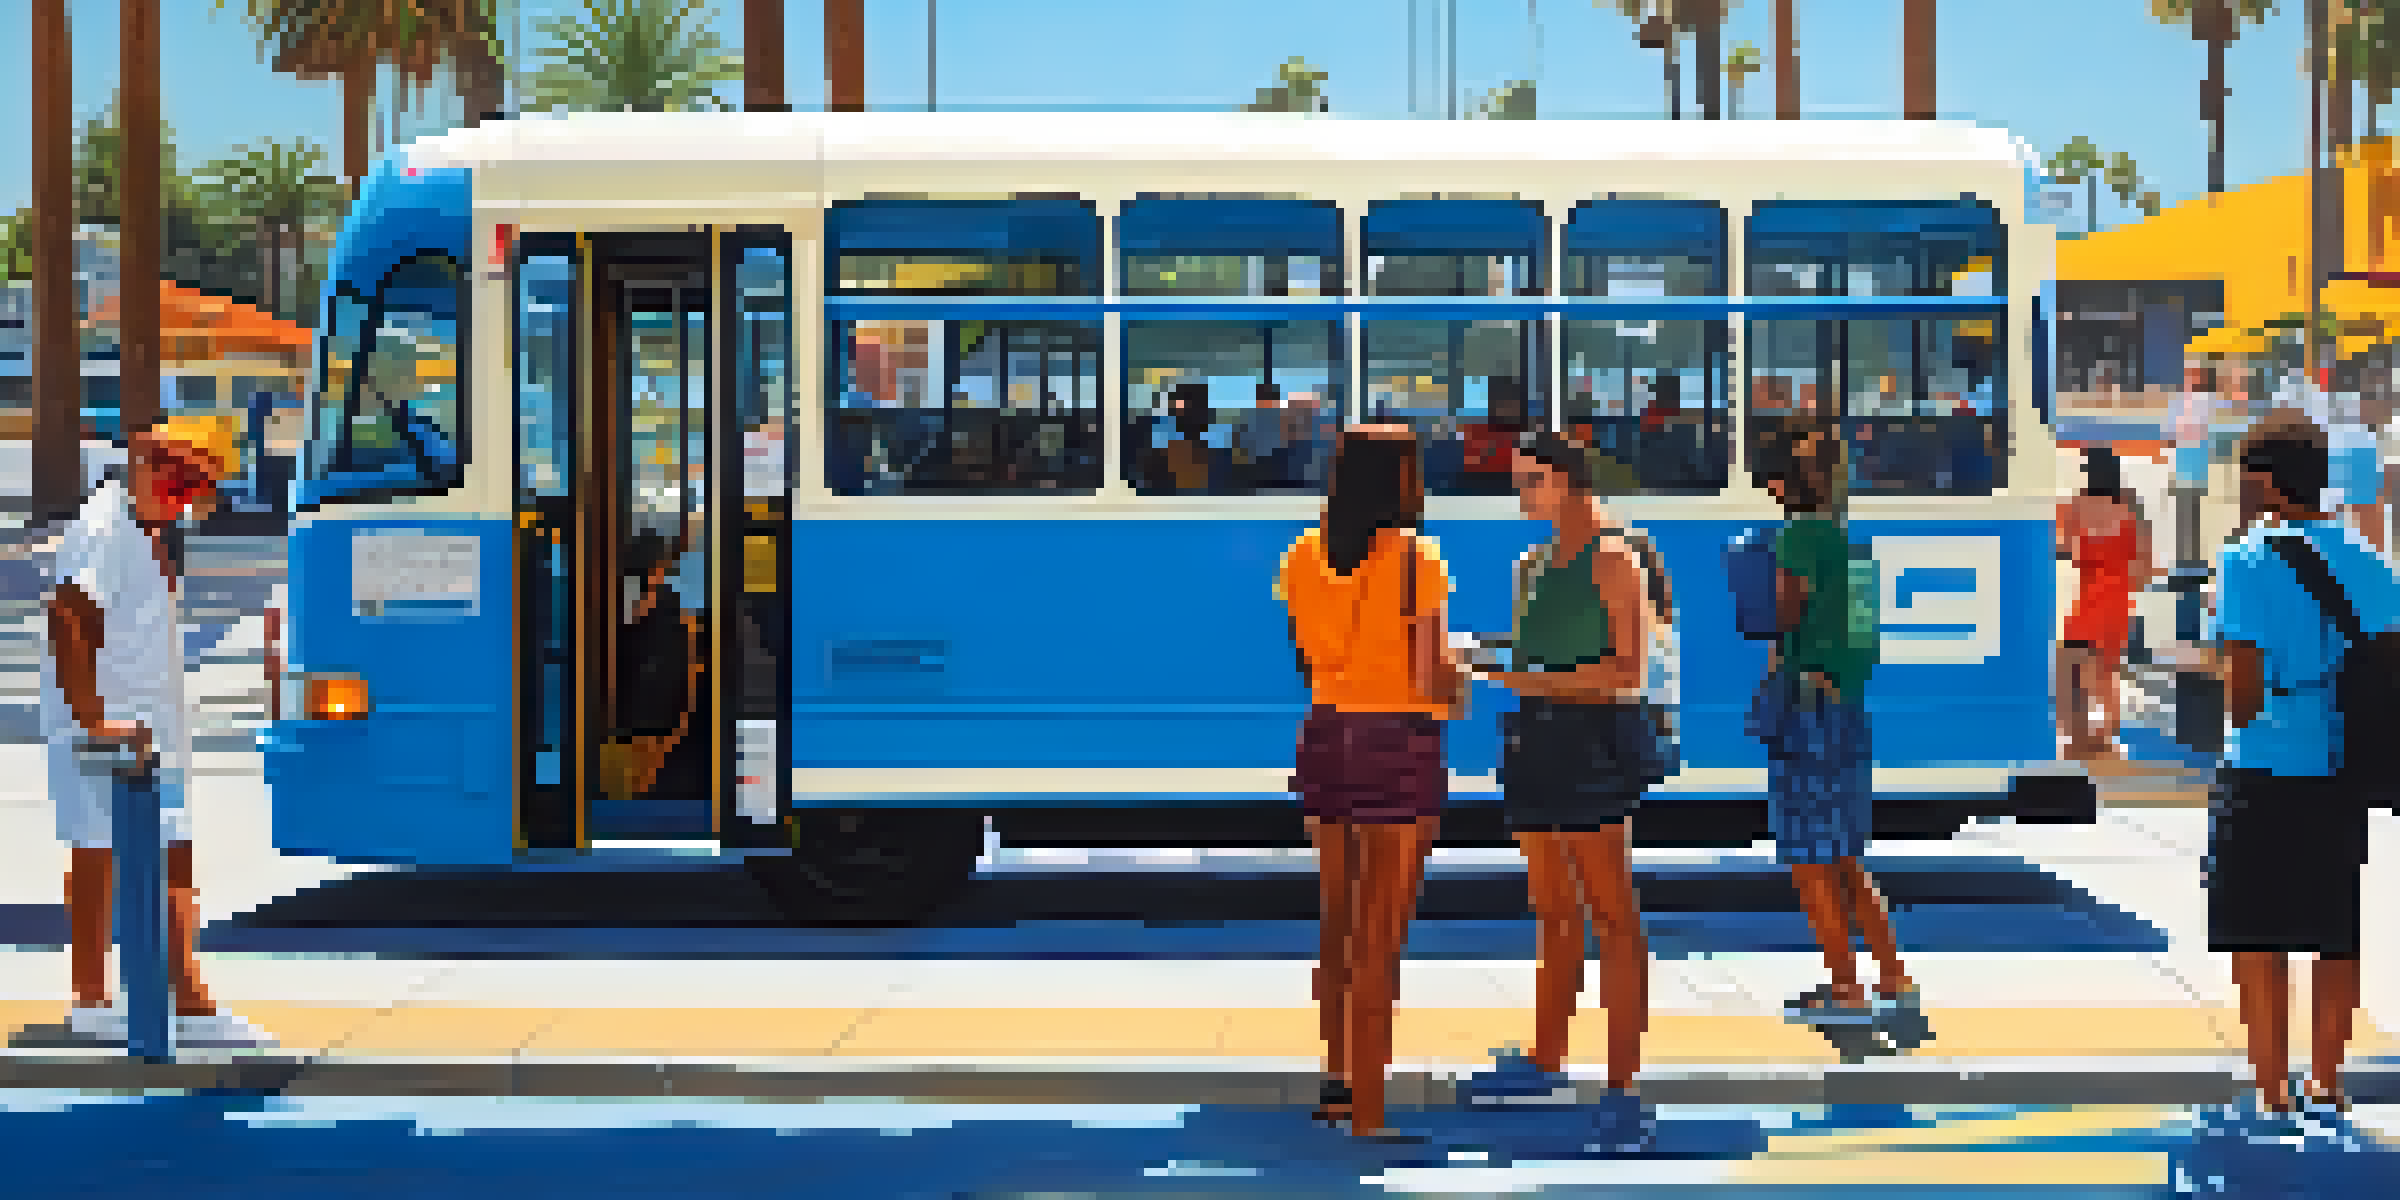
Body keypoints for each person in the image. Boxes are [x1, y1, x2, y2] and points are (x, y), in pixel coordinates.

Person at [2193, 409, 2400, 1114]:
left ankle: (2273, 1086)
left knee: (2257, 930)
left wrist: (2231, 685)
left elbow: (2243, 692)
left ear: (2266, 483)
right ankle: (2328, 1080)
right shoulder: (2365, 557)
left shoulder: (2245, 561)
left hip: (2262, 764)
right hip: (2340, 763)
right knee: (2334, 927)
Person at [38, 415, 269, 1045]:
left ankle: (155, 995)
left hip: (140, 726)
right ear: (147, 463)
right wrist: (93, 719)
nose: (187, 496)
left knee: (150, 852)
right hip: (107, 729)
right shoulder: (105, 529)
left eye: (198, 486)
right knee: (109, 855)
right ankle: (129, 999)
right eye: (181, 480)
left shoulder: (142, 526)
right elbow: (67, 615)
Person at [1463, 432, 1677, 1102]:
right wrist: (1480, 655)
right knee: (1553, 910)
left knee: (1611, 914)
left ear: (1571, 481)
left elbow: (1626, 673)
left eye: (1533, 481)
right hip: (1536, 739)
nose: (1521, 495)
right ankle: (1546, 1053)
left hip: (1588, 742)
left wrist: (1525, 681)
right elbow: (1542, 651)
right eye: (1519, 483)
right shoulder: (1533, 563)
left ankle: (1622, 1076)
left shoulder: (1612, 558)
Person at [1277, 425, 1464, 1137]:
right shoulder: (1416, 558)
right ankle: (1369, 1110)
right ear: (1402, 481)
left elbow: (1306, 661)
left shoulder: (1302, 554)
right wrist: (1465, 674)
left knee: (1338, 925)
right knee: (1381, 934)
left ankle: (1337, 1084)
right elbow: (1430, 676)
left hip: (1327, 735)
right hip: (1398, 743)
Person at [1750, 425, 1917, 1020]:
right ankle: (1893, 976)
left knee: (1806, 858)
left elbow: (1782, 616)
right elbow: (1864, 638)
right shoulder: (1854, 545)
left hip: (1808, 709)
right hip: (1846, 707)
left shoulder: (1796, 539)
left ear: (1782, 485)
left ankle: (1845, 987)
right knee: (1845, 854)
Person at [2056, 448, 2155, 760]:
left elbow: (2063, 546)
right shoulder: (2130, 508)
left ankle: (2077, 737)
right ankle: (2105, 738)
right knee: (2105, 670)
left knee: (2070, 665)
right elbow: (2145, 565)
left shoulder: (2076, 507)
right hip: (2118, 598)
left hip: (2089, 594)